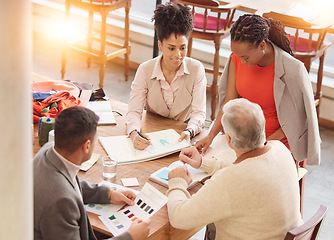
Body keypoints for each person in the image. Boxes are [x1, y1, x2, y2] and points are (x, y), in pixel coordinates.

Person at [167, 98, 303, 240]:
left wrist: (177, 182)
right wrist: (203, 163)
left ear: (229, 139)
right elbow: (250, 171)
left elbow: (179, 218)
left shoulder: (227, 182)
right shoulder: (281, 149)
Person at [195, 14, 321, 165]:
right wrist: (210, 136)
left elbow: (295, 123)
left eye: (245, 57)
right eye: (238, 56)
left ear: (262, 45)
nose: (241, 61)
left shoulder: (293, 70)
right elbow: (229, 102)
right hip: (243, 140)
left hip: (277, 144)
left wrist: (260, 147)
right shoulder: (237, 58)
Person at [34, 107, 150, 240]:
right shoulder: (61, 201)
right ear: (87, 145)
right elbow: (62, 194)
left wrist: (108, 194)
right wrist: (131, 237)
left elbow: (68, 184)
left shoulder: (49, 150)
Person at [126, 2, 207, 150]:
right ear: (160, 45)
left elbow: (199, 113)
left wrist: (190, 130)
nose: (178, 55)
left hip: (181, 134)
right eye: (171, 48)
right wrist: (134, 133)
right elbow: (134, 111)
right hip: (151, 134)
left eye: (183, 48)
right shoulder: (145, 70)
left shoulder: (196, 69)